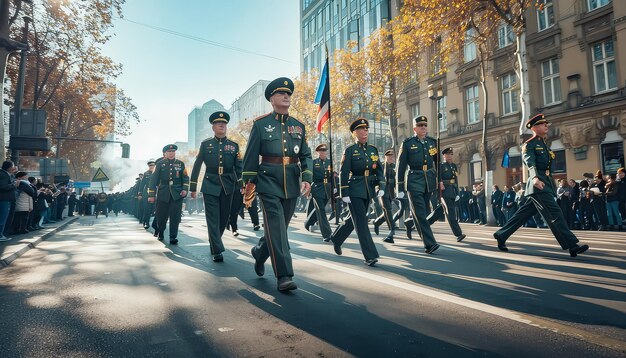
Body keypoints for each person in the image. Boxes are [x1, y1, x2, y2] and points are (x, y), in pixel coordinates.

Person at [242, 77, 312, 291]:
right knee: (277, 230)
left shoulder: (298, 126)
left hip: (291, 182)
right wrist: (249, 185)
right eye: (281, 94)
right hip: (268, 182)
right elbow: (251, 156)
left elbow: (306, 155)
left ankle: (260, 251)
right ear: (272, 99)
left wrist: (307, 178)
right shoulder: (261, 124)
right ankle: (284, 276)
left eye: (288, 94)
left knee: (278, 230)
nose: (286, 96)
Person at [493, 114, 589, 257]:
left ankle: (501, 234)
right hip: (538, 184)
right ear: (535, 127)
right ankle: (572, 245)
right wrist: (535, 178)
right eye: (544, 124)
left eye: (546, 124)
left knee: (522, 214)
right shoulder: (529, 145)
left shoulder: (543, 143)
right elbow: (530, 163)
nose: (547, 126)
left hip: (545, 183)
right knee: (555, 213)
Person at [329, 118, 384, 265]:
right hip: (354, 190)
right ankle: (370, 255)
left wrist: (381, 186)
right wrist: (344, 193)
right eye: (361, 129)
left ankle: (337, 238)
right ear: (355, 132)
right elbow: (344, 172)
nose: (365, 132)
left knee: (353, 221)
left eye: (366, 129)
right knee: (361, 222)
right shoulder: (350, 150)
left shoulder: (373, 149)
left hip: (368, 190)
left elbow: (379, 170)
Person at [190, 111, 242, 262]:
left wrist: (242, 184)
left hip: (228, 185)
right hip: (210, 184)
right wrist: (193, 187)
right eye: (218, 123)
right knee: (212, 218)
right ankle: (217, 249)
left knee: (223, 218)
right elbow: (197, 165)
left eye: (224, 123)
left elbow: (239, 167)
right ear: (213, 127)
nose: (222, 125)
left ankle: (214, 241)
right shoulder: (206, 144)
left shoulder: (234, 146)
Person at [396, 115, 441, 254]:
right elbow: (400, 166)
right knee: (421, 213)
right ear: (415, 128)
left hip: (429, 181)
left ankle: (410, 222)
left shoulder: (432, 142)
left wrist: (439, 180)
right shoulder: (408, 143)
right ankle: (430, 243)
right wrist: (400, 187)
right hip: (414, 180)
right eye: (420, 125)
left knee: (424, 212)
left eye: (425, 125)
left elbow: (438, 163)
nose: (423, 127)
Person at [148, 144, 189, 244]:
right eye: (169, 152)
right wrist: (151, 195)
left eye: (173, 151)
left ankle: (173, 237)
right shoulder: (159, 164)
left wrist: (185, 189)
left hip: (177, 194)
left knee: (175, 216)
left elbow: (185, 178)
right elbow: (153, 180)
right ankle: (161, 231)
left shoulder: (180, 164)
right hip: (163, 193)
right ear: (165, 153)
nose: (171, 153)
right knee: (161, 215)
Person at [304, 143, 333, 241]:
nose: (323, 152)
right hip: (317, 187)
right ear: (318, 152)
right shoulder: (314, 162)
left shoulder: (330, 162)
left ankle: (308, 223)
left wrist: (335, 187)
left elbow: (333, 175)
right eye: (321, 151)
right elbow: (309, 175)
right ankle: (327, 234)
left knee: (319, 209)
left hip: (327, 189)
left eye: (324, 150)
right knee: (321, 211)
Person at [439, 147, 466, 242]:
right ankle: (458, 233)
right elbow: (438, 178)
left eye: (451, 154)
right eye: (448, 154)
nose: (450, 156)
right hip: (445, 191)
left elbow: (456, 180)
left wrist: (457, 192)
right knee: (451, 212)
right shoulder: (441, 166)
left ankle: (411, 223)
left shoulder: (454, 166)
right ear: (444, 155)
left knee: (437, 213)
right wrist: (440, 183)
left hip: (453, 191)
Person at [373, 149, 398, 243]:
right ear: (385, 157)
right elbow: (376, 178)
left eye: (392, 156)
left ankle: (377, 222)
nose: (391, 158)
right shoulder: (381, 166)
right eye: (389, 156)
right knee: (388, 209)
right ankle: (392, 232)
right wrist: (378, 189)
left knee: (387, 211)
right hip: (382, 191)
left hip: (392, 191)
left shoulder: (396, 166)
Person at [139, 159, 156, 229]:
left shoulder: (158, 172)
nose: (151, 167)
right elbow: (142, 184)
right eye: (150, 166)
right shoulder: (146, 174)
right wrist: (140, 194)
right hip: (147, 194)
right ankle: (146, 222)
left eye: (153, 165)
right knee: (147, 209)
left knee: (155, 209)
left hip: (157, 193)